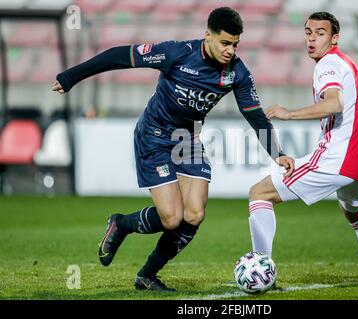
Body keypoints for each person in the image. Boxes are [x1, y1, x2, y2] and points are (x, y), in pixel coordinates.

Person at [52, 7, 294, 291]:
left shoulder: (237, 73)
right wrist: (71, 77)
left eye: (235, 44)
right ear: (208, 36)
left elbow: (254, 114)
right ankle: (121, 224)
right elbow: (121, 56)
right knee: (171, 218)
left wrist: (276, 152)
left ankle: (147, 275)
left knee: (194, 215)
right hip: (154, 135)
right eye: (225, 43)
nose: (231, 51)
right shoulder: (176, 53)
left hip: (188, 139)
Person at [247, 12, 358, 285]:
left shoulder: (327, 64)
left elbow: (334, 104)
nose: (312, 39)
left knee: (259, 193)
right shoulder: (351, 67)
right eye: (308, 32)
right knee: (355, 214)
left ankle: (261, 268)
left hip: (336, 159)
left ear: (334, 38)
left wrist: (288, 113)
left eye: (320, 33)